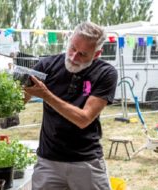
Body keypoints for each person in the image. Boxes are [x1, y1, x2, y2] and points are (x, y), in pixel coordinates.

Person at [23, 22, 118, 190]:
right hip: (48, 161)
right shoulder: (48, 65)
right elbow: (21, 98)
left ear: (97, 54)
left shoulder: (105, 73)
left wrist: (46, 95)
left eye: (82, 54)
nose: (74, 57)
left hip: (86, 161)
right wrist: (10, 92)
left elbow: (84, 119)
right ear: (69, 40)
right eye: (72, 48)